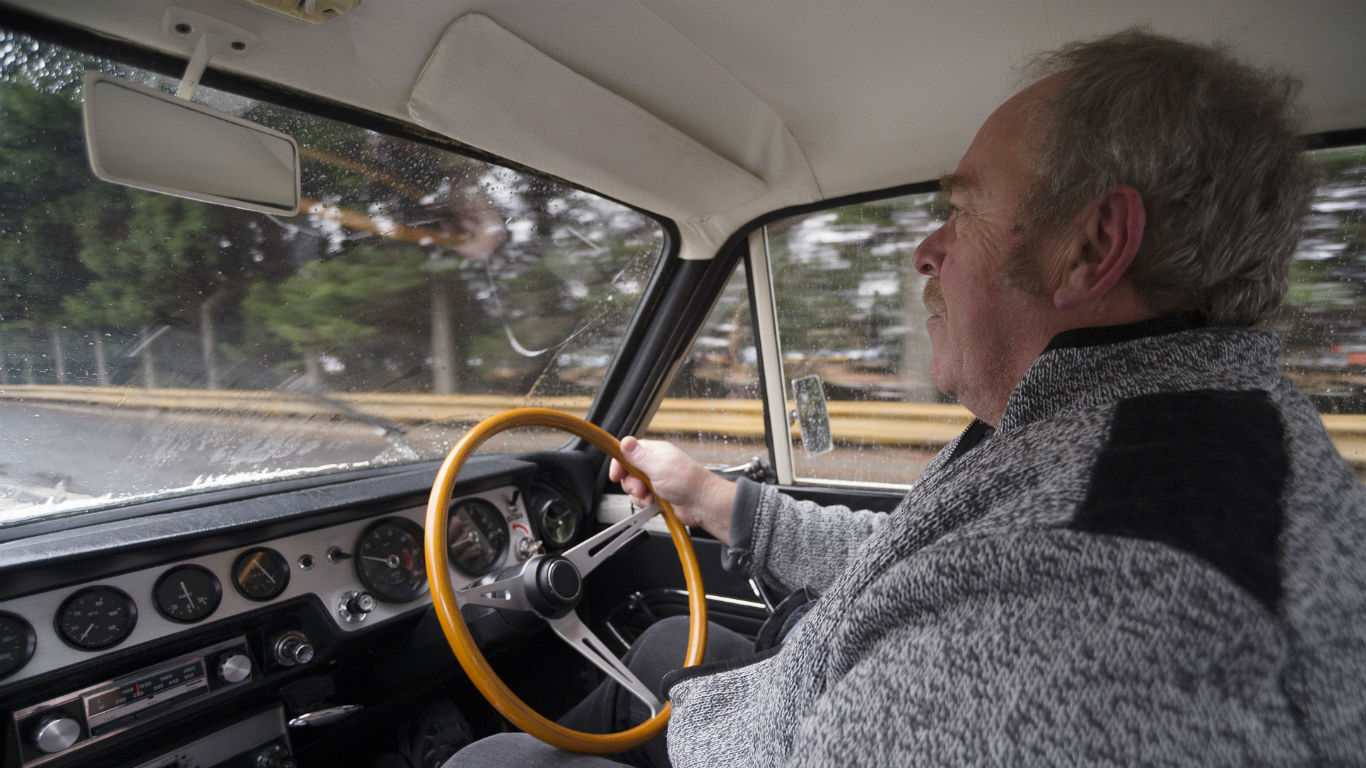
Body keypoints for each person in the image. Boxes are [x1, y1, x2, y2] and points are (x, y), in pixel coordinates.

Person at [446, 28, 1366, 767]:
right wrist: (718, 500)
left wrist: (708, 722)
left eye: (961, 208)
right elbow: (922, 560)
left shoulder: (1074, 622)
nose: (926, 249)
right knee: (665, 649)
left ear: (1090, 246)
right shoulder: (1131, 430)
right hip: (790, 699)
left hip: (776, 731)